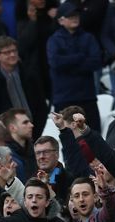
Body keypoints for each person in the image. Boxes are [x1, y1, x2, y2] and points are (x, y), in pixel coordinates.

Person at [0, 36, 48, 135]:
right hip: (3, 137)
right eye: (7, 52)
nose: (12, 54)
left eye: (14, 51)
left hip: (33, 131)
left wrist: (36, 131)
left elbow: (41, 106)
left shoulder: (30, 76)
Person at [47, 2, 101, 131]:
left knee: (94, 137)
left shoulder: (88, 37)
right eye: (70, 15)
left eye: (76, 15)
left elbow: (96, 62)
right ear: (61, 20)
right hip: (64, 98)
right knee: (69, 139)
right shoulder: (54, 40)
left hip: (87, 98)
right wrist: (80, 57)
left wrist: (67, 64)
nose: (75, 17)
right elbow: (55, 62)